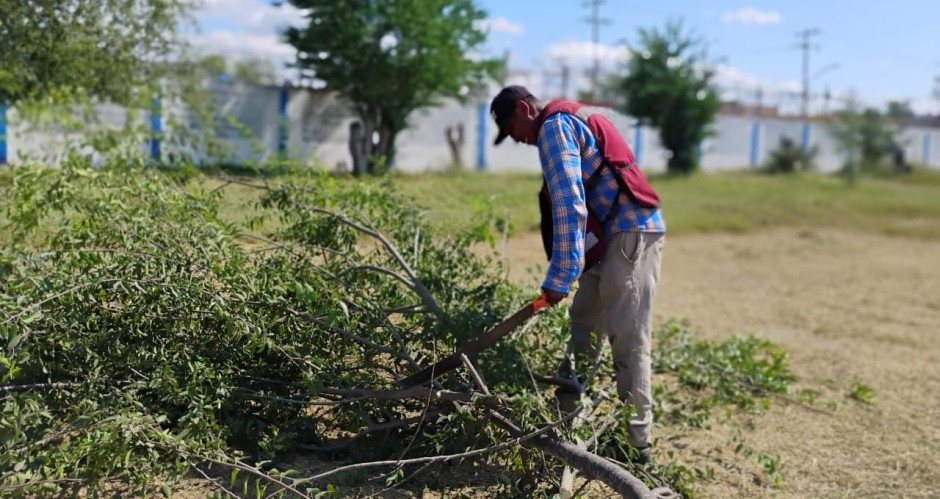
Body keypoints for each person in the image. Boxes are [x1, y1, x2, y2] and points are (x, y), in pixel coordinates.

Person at [490, 85, 665, 464]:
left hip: (630, 232)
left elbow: (570, 206)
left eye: (513, 127)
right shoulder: (569, 118)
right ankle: (566, 425)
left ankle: (637, 446)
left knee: (628, 337)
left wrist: (560, 277)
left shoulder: (554, 128)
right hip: (606, 241)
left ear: (525, 108)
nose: (518, 140)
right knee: (583, 328)